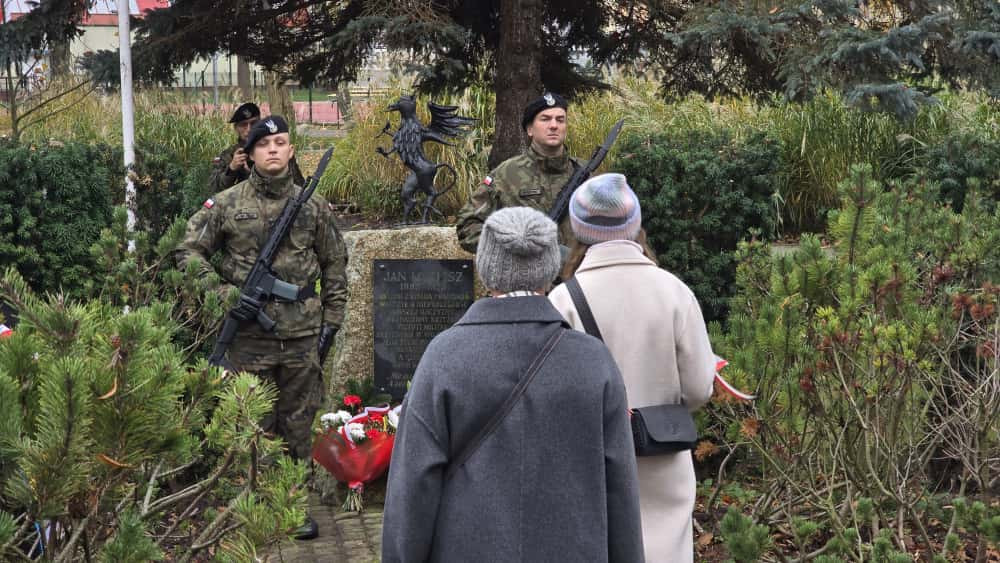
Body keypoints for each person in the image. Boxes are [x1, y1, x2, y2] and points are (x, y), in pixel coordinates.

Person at [382, 207, 644, 563]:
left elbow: (412, 488)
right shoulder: (594, 361)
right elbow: (621, 491)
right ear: (551, 266)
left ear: (485, 265)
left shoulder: (443, 357)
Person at [176, 115, 347, 540]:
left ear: (291, 151)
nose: (273, 149)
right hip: (249, 340)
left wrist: (334, 319)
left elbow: (335, 264)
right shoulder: (227, 203)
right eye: (264, 143)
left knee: (299, 425)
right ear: (250, 153)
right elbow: (188, 253)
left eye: (281, 142)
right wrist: (224, 296)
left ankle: (291, 508)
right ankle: (255, 508)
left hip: (302, 336)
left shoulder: (313, 206)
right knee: (251, 427)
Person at [547, 173, 716, 563]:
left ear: (577, 229)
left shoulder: (562, 299)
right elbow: (698, 389)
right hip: (663, 457)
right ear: (635, 224)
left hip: (589, 458)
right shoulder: (674, 291)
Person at [455, 92, 584, 254]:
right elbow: (468, 225)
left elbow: (612, 225)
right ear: (530, 129)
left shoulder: (586, 173)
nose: (554, 125)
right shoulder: (506, 174)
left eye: (560, 120)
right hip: (527, 276)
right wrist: (514, 248)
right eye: (545, 119)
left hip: (580, 276)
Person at [207, 102, 305, 194]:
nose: (249, 129)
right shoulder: (228, 155)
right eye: (243, 125)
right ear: (236, 128)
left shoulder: (275, 151)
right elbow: (214, 189)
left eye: (253, 123)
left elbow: (299, 186)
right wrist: (232, 169)